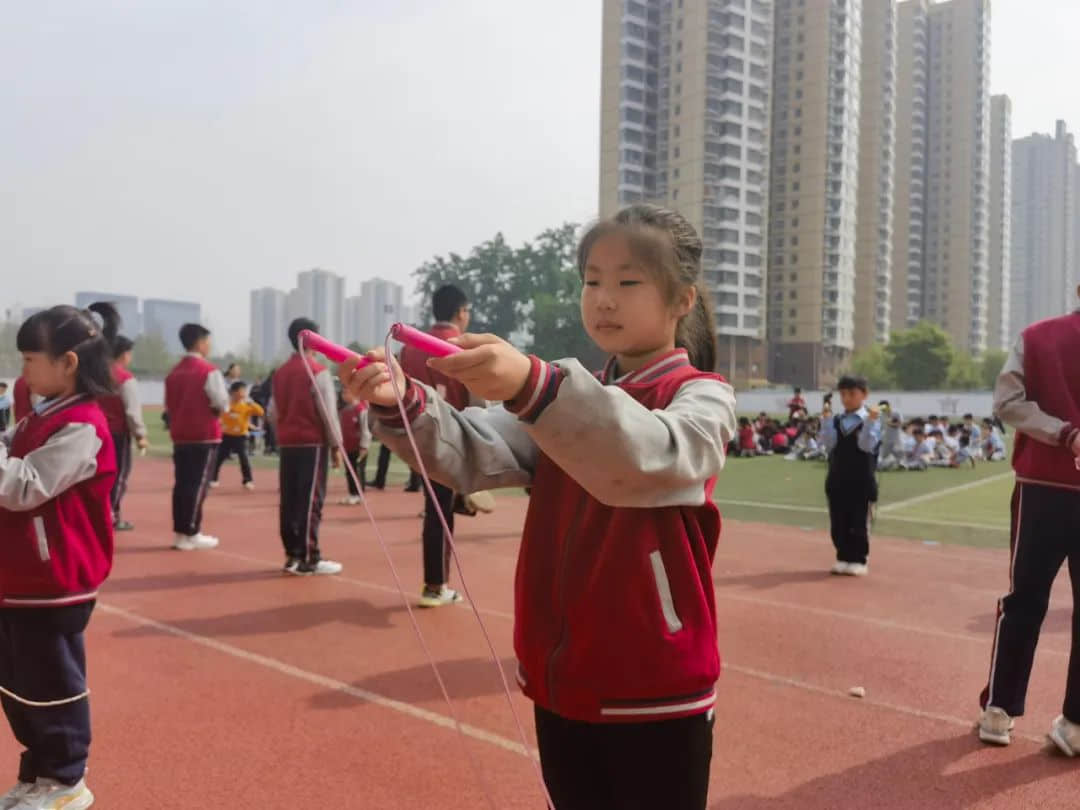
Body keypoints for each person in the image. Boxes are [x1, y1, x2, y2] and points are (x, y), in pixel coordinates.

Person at [343, 204, 736, 810]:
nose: (604, 298)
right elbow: (474, 451)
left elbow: (651, 457)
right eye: (592, 280)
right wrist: (404, 403)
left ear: (682, 300)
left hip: (655, 685)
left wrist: (534, 384)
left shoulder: (701, 397)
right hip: (563, 681)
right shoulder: (569, 398)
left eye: (628, 282)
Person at [0, 303, 121, 810]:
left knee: (51, 684)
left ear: (67, 362)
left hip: (57, 580)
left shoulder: (83, 425)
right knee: (18, 685)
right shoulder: (40, 414)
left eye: (31, 359)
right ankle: (40, 774)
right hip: (19, 577)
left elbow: (24, 487)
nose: (24, 369)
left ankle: (67, 778)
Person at [977, 288, 1080, 754]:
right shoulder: (1037, 337)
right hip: (1049, 485)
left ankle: (1000, 710)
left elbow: (1007, 402)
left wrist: (1064, 433)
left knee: (1025, 599)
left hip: (1044, 488)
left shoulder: (1037, 338)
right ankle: (1075, 724)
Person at [396, 284, 475, 606]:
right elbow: (473, 400)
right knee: (439, 512)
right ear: (460, 312)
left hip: (416, 437)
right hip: (450, 438)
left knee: (437, 507)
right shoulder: (461, 346)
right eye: (468, 311)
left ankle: (436, 582)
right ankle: (435, 584)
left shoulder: (409, 347)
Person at [269, 318, 344, 576]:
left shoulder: (279, 373)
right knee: (310, 500)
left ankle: (292, 553)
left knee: (289, 499)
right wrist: (337, 445)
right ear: (313, 340)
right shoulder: (317, 371)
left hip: (288, 442)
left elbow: (272, 412)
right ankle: (309, 557)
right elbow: (328, 413)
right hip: (311, 442)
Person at [164, 324, 227, 551]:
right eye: (208, 342)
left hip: (181, 434)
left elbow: (169, 406)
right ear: (200, 343)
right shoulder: (209, 371)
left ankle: (181, 531)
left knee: (182, 484)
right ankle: (191, 531)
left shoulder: (173, 372)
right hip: (204, 434)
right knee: (198, 484)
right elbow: (220, 402)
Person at [820, 375, 881, 576]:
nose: (846, 399)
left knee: (858, 521)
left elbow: (866, 445)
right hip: (837, 478)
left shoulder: (870, 419)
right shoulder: (837, 420)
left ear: (864, 395)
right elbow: (829, 444)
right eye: (843, 394)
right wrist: (827, 420)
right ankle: (842, 556)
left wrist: (871, 422)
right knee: (838, 521)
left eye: (852, 394)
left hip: (861, 481)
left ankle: (859, 558)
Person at [98, 334, 148, 531]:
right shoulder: (125, 379)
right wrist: (140, 435)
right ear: (124, 354)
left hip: (96, 432)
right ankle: (111, 515)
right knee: (118, 476)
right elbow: (132, 411)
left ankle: (100, 513)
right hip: (117, 433)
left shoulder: (96, 375)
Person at [212, 381, 263, 490]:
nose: (243, 393)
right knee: (219, 458)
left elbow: (260, 412)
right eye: (241, 391)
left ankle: (248, 480)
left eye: (244, 391)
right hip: (226, 435)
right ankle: (213, 479)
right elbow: (221, 415)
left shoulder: (247, 404)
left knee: (243, 458)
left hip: (241, 436)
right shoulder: (227, 404)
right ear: (234, 392)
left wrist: (252, 403)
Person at [338, 394, 371, 505]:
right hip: (347, 446)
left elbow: (365, 429)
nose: (344, 394)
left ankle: (358, 494)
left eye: (347, 391)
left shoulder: (361, 409)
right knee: (349, 471)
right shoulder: (344, 411)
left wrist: (364, 446)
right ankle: (352, 493)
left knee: (357, 470)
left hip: (358, 447)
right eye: (344, 391)